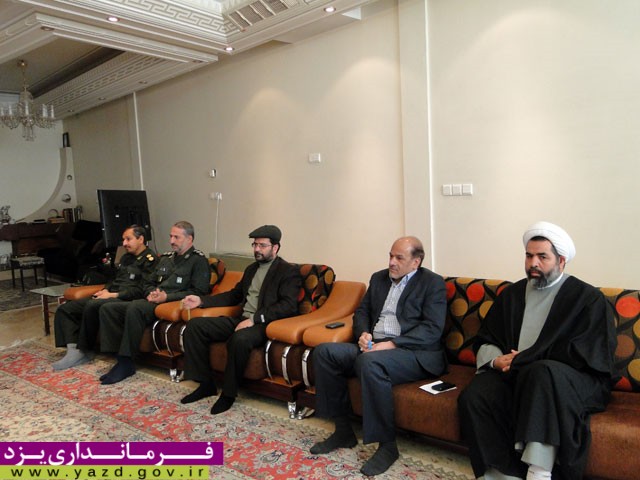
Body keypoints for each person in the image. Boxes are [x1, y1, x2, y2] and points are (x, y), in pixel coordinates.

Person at [457, 221, 618, 480]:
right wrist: (497, 361)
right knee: (475, 395)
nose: (533, 263)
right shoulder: (512, 295)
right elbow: (488, 337)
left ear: (561, 261)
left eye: (542, 257)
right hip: (516, 373)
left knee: (541, 373)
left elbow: (588, 353)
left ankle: (539, 470)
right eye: (529, 255)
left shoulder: (586, 298)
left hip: (572, 380)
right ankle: (500, 472)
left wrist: (527, 358)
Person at [310, 236, 447, 476]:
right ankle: (343, 431)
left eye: (399, 258)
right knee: (324, 352)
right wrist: (363, 333)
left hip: (413, 353)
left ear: (416, 262)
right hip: (374, 347)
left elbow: (432, 329)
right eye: (391, 256)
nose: (392, 262)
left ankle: (387, 446)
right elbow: (362, 312)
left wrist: (391, 344)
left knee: (369, 362)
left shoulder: (432, 283)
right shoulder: (378, 278)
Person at [179, 224, 301, 415]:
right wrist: (202, 301)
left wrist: (254, 319)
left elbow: (288, 305)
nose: (257, 249)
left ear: (275, 247)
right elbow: (234, 295)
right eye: (255, 245)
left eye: (262, 245)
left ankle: (228, 394)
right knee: (195, 326)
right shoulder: (251, 269)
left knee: (240, 339)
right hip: (241, 319)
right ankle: (205, 384)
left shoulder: (288, 271)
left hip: (264, 324)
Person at [98, 220, 210, 385]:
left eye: (176, 237)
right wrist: (151, 293)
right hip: (153, 300)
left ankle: (126, 362)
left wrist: (166, 297)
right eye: (171, 236)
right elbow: (148, 282)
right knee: (109, 308)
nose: (171, 241)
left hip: (171, 303)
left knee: (136, 307)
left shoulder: (198, 261)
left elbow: (199, 292)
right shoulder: (166, 258)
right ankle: (118, 358)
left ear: (189, 239)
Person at [52, 225, 157, 371]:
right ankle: (73, 350)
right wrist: (105, 289)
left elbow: (141, 290)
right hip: (110, 294)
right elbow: (114, 279)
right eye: (123, 239)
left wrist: (113, 295)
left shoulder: (150, 260)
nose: (124, 243)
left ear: (141, 239)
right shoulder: (126, 258)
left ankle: (84, 350)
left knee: (93, 305)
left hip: (124, 298)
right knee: (66, 308)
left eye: (128, 239)